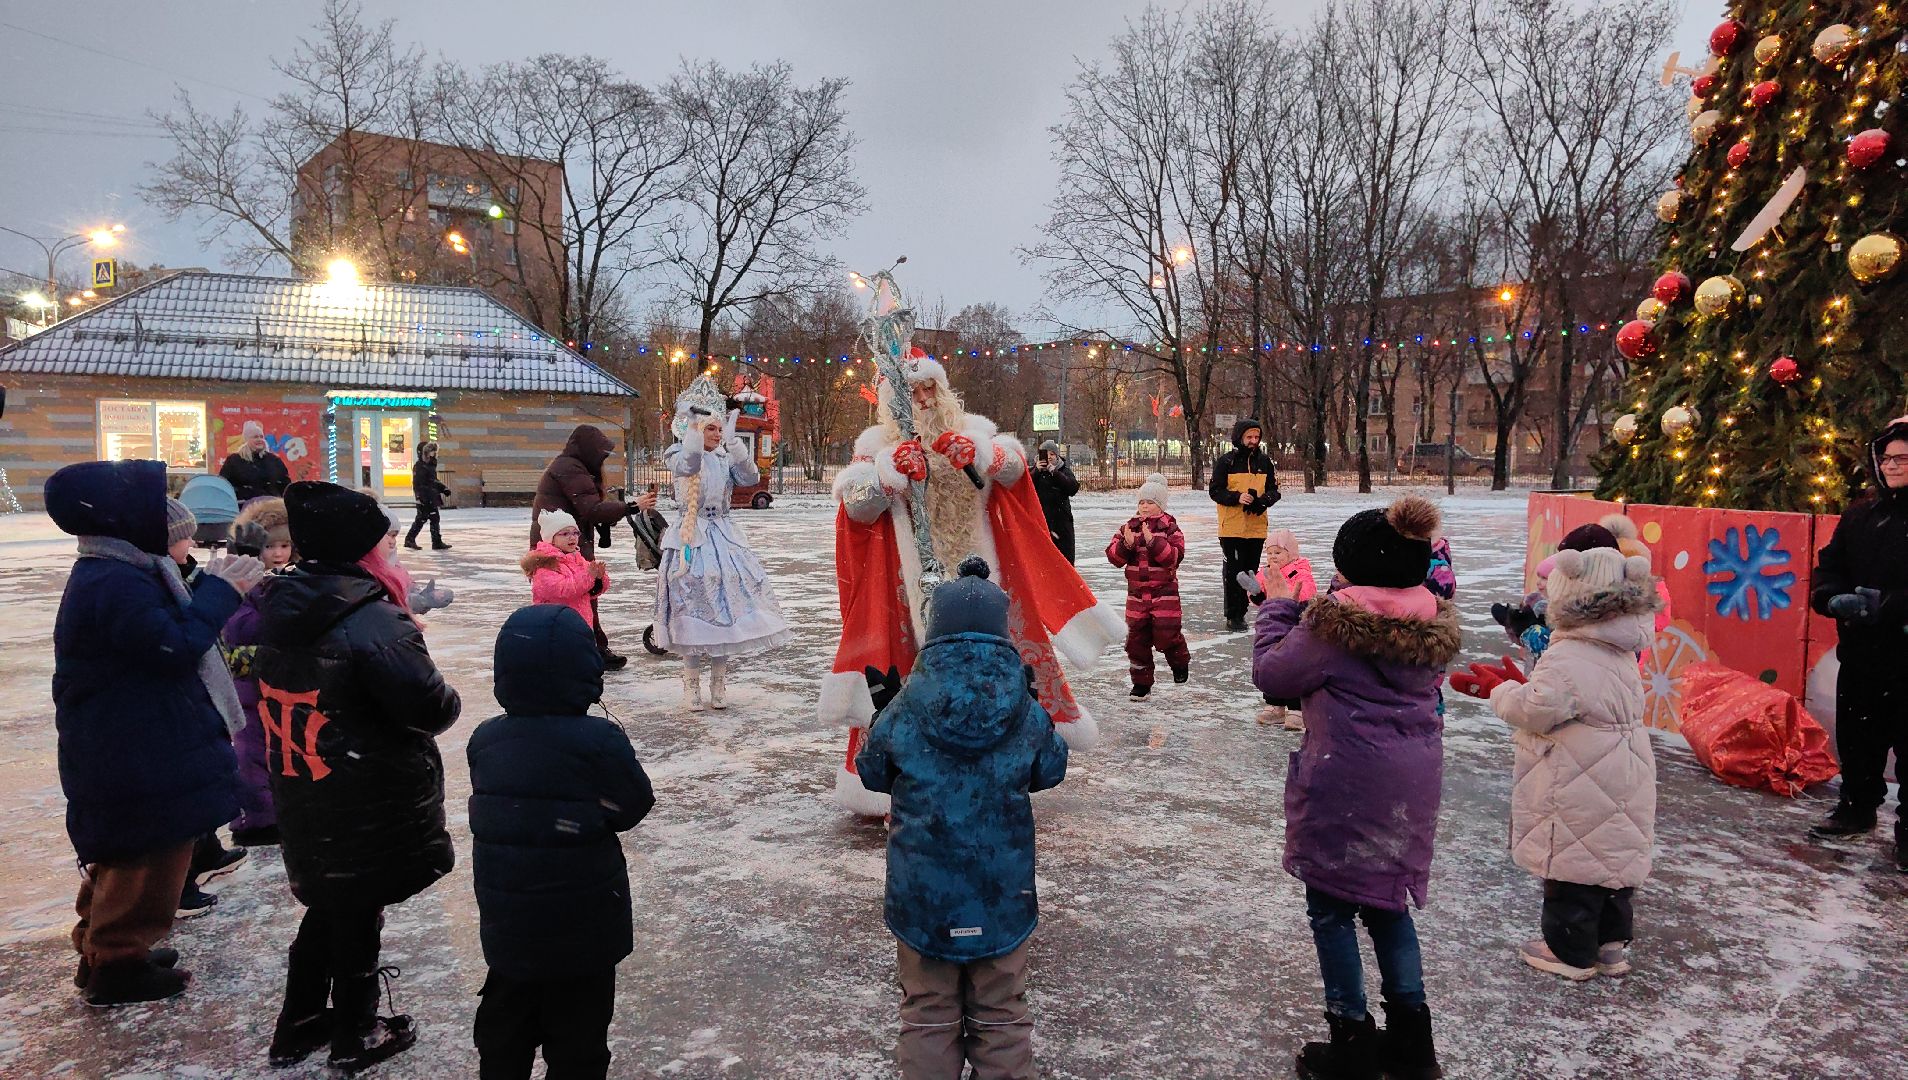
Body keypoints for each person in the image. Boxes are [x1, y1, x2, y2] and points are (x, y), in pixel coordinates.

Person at [821, 345, 1121, 815]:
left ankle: (998, 772)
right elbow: (855, 503)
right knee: (910, 690)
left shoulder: (975, 434)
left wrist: (984, 456)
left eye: (929, 388)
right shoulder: (875, 448)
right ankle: (906, 787)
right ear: (890, 400)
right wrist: (887, 475)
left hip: (982, 585)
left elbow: (1015, 467)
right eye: (911, 391)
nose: (922, 398)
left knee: (990, 675)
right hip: (907, 595)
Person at [252, 481, 462, 1072]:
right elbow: (431, 707)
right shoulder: (369, 619)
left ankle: (298, 1022)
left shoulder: (286, 602)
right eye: (382, 542)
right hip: (363, 788)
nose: (390, 551)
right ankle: (355, 1033)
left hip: (308, 783)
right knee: (356, 905)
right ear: (359, 550)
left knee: (333, 900)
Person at [1252, 496, 1460, 1080]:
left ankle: (1351, 1043)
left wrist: (1276, 611)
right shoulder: (1430, 619)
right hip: (1410, 790)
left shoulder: (1334, 627)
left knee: (1332, 909)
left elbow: (1274, 675)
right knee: (1390, 910)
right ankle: (1412, 1046)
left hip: (1345, 785)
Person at [46, 460, 266, 1007]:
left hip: (136, 735)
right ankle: (117, 963)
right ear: (122, 518)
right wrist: (221, 592)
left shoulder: (122, 569)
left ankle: (104, 949)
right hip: (134, 742)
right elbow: (172, 647)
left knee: (131, 850)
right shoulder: (113, 580)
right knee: (144, 855)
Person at [855, 558, 1068, 1080]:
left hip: (922, 892)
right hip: (1002, 890)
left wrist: (884, 713)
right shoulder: (1020, 706)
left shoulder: (908, 704)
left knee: (927, 1015)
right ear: (1001, 629)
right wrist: (1035, 709)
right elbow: (1050, 770)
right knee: (1001, 1014)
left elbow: (872, 772)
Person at [468, 605, 654, 1080]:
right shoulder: (598, 740)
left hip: (511, 924)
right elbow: (632, 805)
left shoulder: (486, 740)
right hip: (583, 930)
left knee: (504, 1033)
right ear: (585, 670)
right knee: (578, 1043)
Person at [1465, 548, 1660, 981]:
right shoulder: (1622, 647)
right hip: (1625, 769)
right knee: (1609, 865)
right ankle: (1611, 947)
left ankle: (1570, 950)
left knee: (1573, 869)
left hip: (1578, 776)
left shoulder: (1570, 653)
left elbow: (1537, 709)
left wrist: (1501, 694)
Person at [655, 376, 792, 711]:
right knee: (691, 603)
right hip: (692, 536)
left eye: (719, 429)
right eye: (712, 430)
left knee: (726, 603)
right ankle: (691, 684)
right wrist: (692, 429)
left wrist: (734, 446)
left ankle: (718, 683)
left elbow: (750, 478)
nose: (716, 435)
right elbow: (688, 463)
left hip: (724, 537)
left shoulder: (722, 456)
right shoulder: (678, 453)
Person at [1808, 416, 1908, 873]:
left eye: (1904, 458)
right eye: (1888, 457)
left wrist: (1885, 604)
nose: (1893, 465)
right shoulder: (1860, 514)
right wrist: (1833, 598)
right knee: (1859, 737)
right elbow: (1830, 567)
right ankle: (1857, 807)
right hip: (1864, 653)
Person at [162, 504, 250, 919]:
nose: (192, 543)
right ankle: (176, 885)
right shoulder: (150, 578)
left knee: (204, 779)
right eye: (184, 536)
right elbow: (181, 640)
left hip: (194, 703)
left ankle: (204, 849)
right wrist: (221, 591)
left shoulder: (178, 570)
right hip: (175, 706)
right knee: (178, 799)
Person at [531, 425, 657, 669]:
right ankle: (576, 648)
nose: (602, 460)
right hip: (558, 541)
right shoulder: (568, 468)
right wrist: (631, 506)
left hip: (568, 538)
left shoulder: (574, 467)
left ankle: (592, 647)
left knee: (583, 593)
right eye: (600, 453)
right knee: (562, 595)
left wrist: (598, 577)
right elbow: (591, 509)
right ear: (587, 449)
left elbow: (590, 509)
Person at [221, 497, 297, 848]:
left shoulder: (292, 579)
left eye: (285, 545)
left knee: (283, 752)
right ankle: (254, 819)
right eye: (270, 546)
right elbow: (239, 629)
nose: (278, 553)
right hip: (250, 684)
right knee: (251, 752)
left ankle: (279, 811)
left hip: (283, 684)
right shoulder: (245, 581)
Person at [1107, 474, 1189, 701]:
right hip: (1136, 596)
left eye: (1150, 502)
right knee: (1135, 641)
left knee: (1166, 635)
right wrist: (1126, 545)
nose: (1144, 506)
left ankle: (1180, 661)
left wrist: (1153, 542)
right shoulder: (1128, 527)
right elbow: (1114, 558)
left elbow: (1174, 557)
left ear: (1160, 505)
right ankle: (1141, 683)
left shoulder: (1170, 527)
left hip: (1165, 593)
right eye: (1141, 502)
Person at [1209, 417, 1279, 631]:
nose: (1253, 441)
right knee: (1233, 572)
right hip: (1231, 528)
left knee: (1250, 572)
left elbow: (1274, 491)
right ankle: (1233, 614)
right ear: (1240, 437)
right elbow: (1215, 491)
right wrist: (1237, 497)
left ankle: (1243, 612)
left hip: (1256, 528)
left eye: (1256, 437)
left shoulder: (1264, 462)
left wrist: (1262, 502)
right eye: (1249, 437)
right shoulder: (1226, 462)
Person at [1256, 528, 1318, 730]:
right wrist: (1254, 591)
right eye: (1269, 552)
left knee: (1295, 664)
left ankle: (1297, 709)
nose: (1273, 557)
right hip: (1273, 625)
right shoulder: (1266, 572)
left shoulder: (1300, 571)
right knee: (1273, 662)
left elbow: (1307, 591)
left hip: (1294, 624)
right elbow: (1261, 595)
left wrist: (1290, 596)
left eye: (1278, 553)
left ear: (1291, 554)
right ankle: (1275, 705)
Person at [522, 509, 608, 631]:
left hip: (581, 624)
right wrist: (589, 577)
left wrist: (599, 579)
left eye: (575, 533)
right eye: (565, 534)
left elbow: (590, 592)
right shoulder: (544, 565)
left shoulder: (578, 559)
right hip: (555, 628)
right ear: (551, 538)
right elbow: (562, 591)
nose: (572, 537)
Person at [1031, 439, 1080, 564]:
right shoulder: (1034, 471)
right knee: (1042, 561)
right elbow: (1026, 487)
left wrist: (1055, 473)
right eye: (1045, 453)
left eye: (1052, 454)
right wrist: (1037, 471)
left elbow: (1073, 488)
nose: (1049, 457)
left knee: (1064, 560)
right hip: (1041, 523)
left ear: (1057, 456)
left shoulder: (1063, 471)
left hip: (1061, 525)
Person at [218, 420, 291, 502]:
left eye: (261, 437)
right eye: (255, 437)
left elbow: (285, 484)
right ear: (246, 440)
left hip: (271, 505)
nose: (259, 439)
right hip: (243, 506)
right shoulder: (234, 460)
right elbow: (224, 484)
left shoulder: (274, 460)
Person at [404, 440, 452, 551]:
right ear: (423, 453)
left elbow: (433, 480)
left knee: (432, 518)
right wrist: (419, 497)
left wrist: (443, 488)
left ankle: (434, 541)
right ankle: (411, 539)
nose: (433, 454)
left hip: (431, 496)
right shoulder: (420, 466)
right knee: (423, 518)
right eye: (430, 452)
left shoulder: (430, 465)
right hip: (425, 497)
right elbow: (418, 483)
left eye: (434, 452)